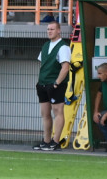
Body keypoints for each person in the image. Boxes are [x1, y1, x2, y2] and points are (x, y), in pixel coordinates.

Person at [33, 20, 71, 151]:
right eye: (48, 29)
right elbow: (42, 63)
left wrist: (56, 83)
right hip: (42, 83)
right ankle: (46, 140)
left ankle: (56, 141)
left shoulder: (63, 47)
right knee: (45, 113)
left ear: (59, 30)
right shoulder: (45, 46)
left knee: (58, 112)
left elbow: (65, 67)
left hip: (55, 84)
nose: (49, 31)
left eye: (52, 29)